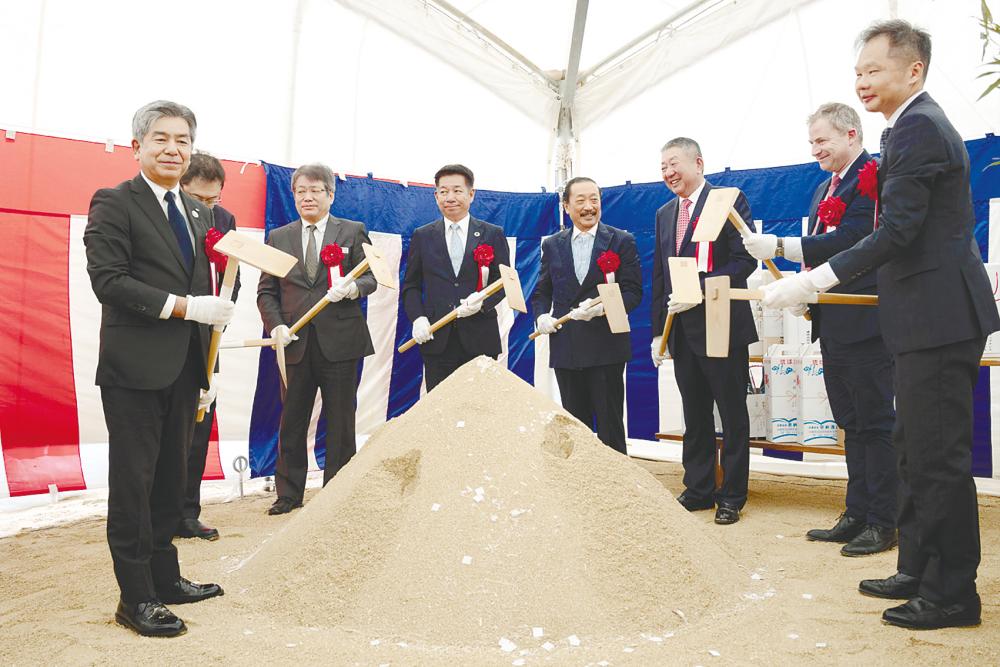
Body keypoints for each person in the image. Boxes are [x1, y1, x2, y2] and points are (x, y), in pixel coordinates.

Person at [761, 20, 998, 629]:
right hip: (920, 317)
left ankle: (952, 594)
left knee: (938, 458)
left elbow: (894, 232)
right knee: (911, 449)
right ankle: (917, 566)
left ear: (913, 70)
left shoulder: (920, 126)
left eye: (874, 70)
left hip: (941, 317)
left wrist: (813, 278)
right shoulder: (906, 127)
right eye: (858, 72)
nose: (862, 81)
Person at [84, 100, 232, 637]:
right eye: (161, 139)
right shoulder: (114, 202)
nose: (173, 149)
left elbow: (200, 286)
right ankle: (136, 597)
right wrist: (186, 306)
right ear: (138, 146)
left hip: (184, 370)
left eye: (183, 140)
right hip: (134, 371)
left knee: (171, 480)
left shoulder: (197, 212)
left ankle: (166, 579)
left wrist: (205, 371)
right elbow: (109, 281)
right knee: (134, 484)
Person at [744, 103, 898, 557]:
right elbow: (822, 253)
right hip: (832, 322)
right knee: (849, 422)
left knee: (875, 423)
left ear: (852, 135)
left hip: (866, 319)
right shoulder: (821, 188)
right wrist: (806, 294)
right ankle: (857, 510)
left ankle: (883, 519)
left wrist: (782, 245)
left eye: (822, 141)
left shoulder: (872, 176)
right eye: (811, 141)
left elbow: (853, 242)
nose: (815, 150)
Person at [257, 163, 378, 516]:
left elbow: (372, 277)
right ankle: (289, 494)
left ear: (330, 194)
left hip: (341, 341)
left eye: (315, 191)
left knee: (341, 420)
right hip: (294, 341)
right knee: (292, 419)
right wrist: (276, 325)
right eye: (300, 192)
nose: (307, 197)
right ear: (293, 195)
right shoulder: (278, 237)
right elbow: (267, 292)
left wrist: (354, 288)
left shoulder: (352, 231)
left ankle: (337, 492)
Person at [649, 137, 758, 525]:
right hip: (681, 330)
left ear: (698, 162)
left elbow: (744, 261)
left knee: (731, 413)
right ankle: (698, 488)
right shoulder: (664, 213)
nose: (668, 173)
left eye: (673, 163)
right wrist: (656, 333)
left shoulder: (727, 200)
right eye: (662, 167)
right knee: (694, 414)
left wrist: (700, 284)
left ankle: (732, 495)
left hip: (722, 323)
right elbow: (660, 275)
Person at [531, 177, 642, 455]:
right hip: (567, 347)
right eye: (580, 200)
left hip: (606, 347)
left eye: (594, 199)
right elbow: (542, 290)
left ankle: (617, 484)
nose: (588, 207)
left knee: (610, 425)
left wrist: (603, 308)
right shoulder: (553, 244)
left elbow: (633, 292)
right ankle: (580, 487)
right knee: (575, 425)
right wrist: (542, 316)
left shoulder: (620, 240)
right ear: (566, 205)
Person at [401, 164, 511, 390]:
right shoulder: (422, 236)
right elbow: (411, 285)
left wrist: (482, 304)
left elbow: (505, 283)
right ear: (436, 196)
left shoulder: (492, 234)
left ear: (471, 194)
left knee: (481, 408)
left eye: (457, 190)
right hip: (437, 339)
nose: (450, 197)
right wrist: (418, 318)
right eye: (443, 191)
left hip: (480, 337)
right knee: (441, 411)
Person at [176, 152, 239, 542]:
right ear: (181, 187)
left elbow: (233, 274)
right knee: (165, 433)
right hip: (167, 332)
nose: (207, 208)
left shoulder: (225, 221)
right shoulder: (162, 218)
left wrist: (223, 313)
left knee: (198, 429)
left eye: (213, 200)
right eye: (200, 200)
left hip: (206, 341)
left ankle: (187, 512)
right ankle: (155, 513)